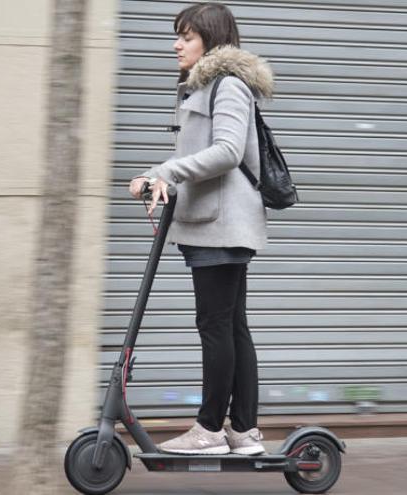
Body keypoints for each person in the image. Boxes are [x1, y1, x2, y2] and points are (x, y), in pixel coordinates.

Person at [128, 2, 274, 456]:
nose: (177, 44)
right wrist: (156, 174)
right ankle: (244, 432)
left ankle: (210, 430)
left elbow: (228, 151)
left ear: (210, 41)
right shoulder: (201, 88)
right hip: (215, 223)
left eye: (187, 36)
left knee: (216, 325)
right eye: (178, 35)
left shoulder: (227, 87)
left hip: (222, 224)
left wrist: (167, 172)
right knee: (231, 326)